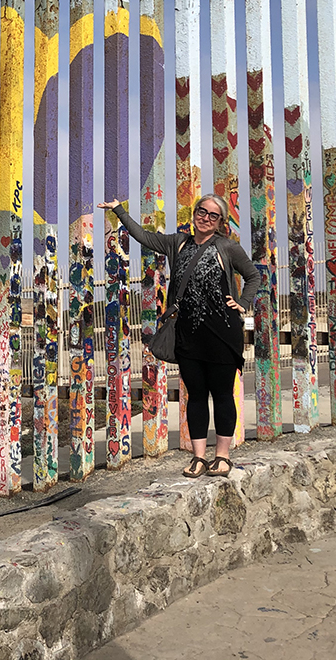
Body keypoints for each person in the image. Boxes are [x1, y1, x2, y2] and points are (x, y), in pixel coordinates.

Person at [96, 194, 261, 477]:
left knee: (222, 395)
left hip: (222, 333)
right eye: (202, 211)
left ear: (220, 222)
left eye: (213, 215)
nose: (206, 218)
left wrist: (243, 303)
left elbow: (254, 276)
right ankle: (199, 457)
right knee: (195, 396)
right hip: (188, 334)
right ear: (194, 213)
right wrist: (119, 211)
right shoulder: (178, 242)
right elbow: (144, 237)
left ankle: (222, 456)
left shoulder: (227, 247)